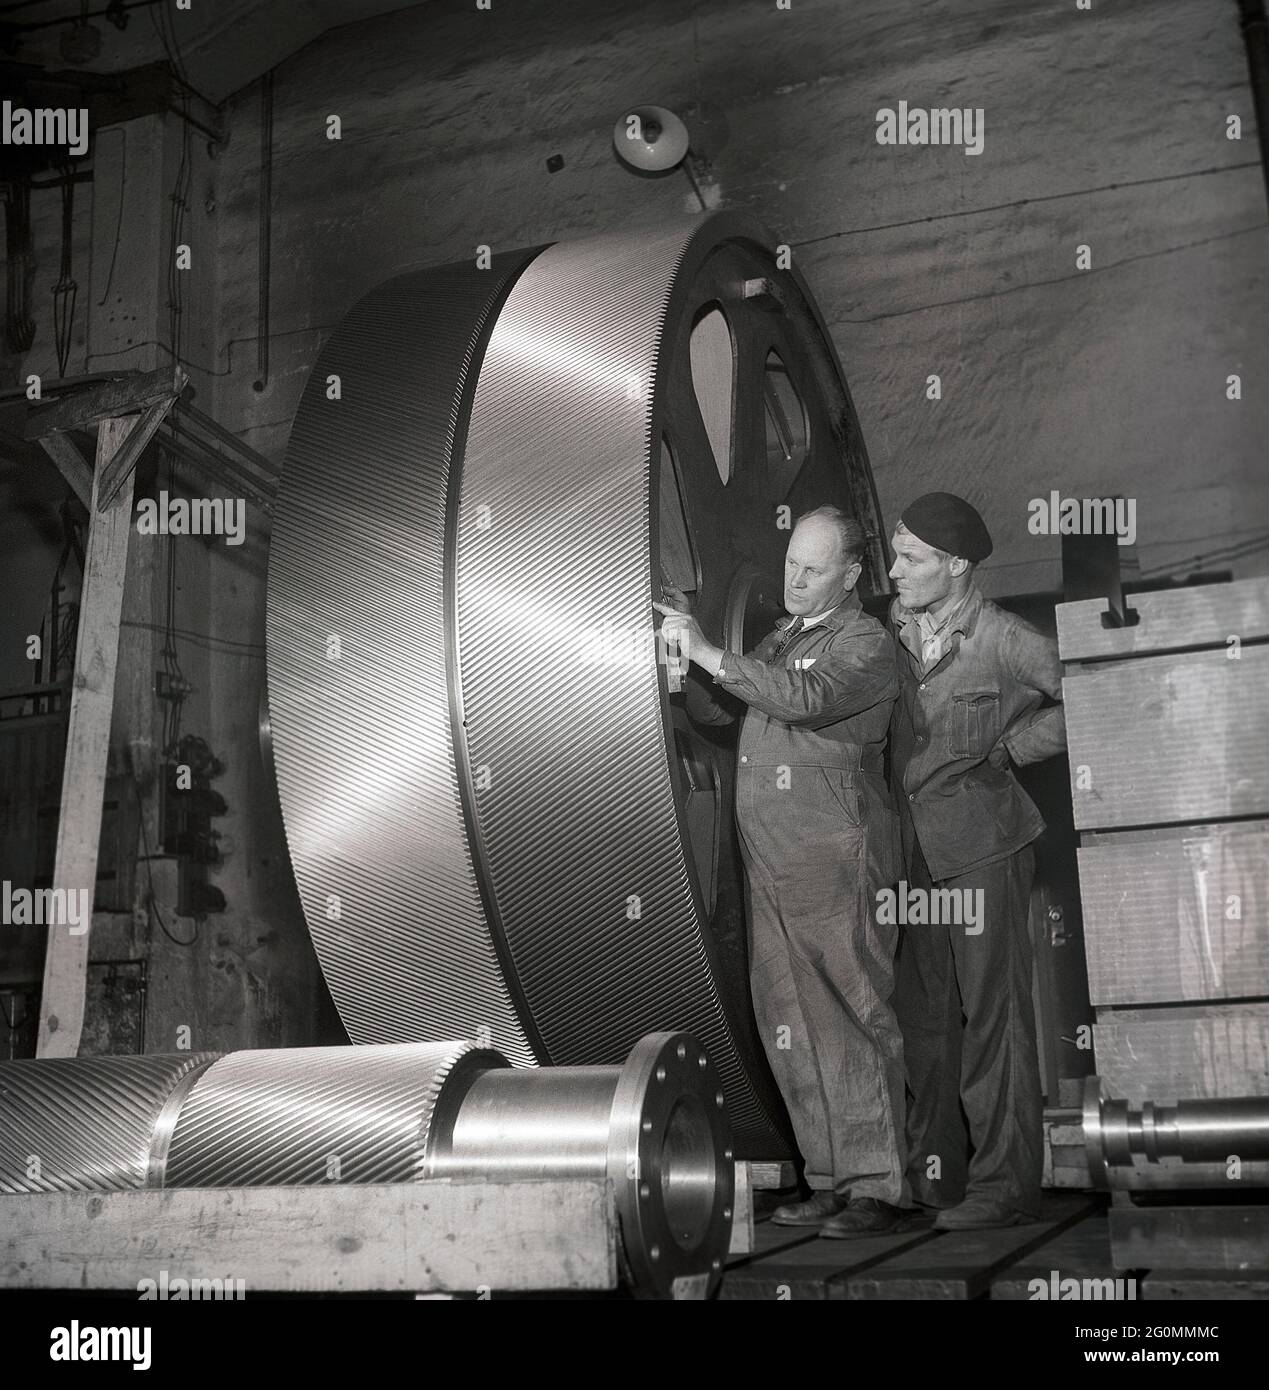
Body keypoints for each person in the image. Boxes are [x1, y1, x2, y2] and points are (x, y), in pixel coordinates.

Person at [656, 506, 910, 1238]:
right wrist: (684, 657)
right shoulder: (783, 636)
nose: (794, 580)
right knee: (789, 1022)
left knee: (851, 1011)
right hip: (769, 856)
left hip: (831, 853)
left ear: (851, 576)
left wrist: (711, 653)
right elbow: (724, 714)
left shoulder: (864, 643)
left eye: (812, 569)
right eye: (792, 564)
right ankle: (829, 1177)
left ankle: (878, 1187)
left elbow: (804, 700)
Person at [887, 492, 1066, 1231]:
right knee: (922, 1021)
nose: (894, 571)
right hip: (907, 856)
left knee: (992, 1014)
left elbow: (1085, 695)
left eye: (910, 558)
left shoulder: (1003, 639)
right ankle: (935, 1178)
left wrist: (1011, 748)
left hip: (981, 848)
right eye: (895, 554)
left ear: (955, 565)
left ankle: (1005, 1185)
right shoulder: (890, 634)